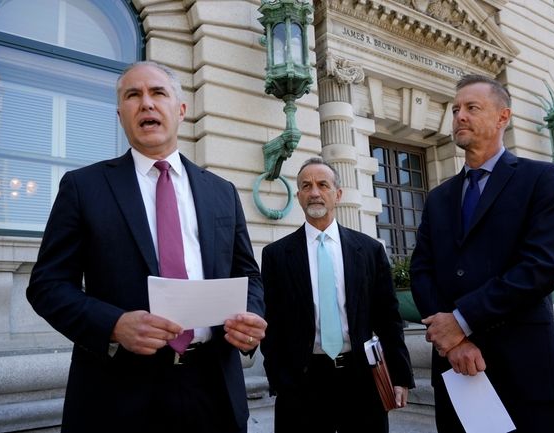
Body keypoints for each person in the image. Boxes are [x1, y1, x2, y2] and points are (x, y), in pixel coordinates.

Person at [27, 61, 267, 433]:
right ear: (120, 113)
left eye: (158, 93)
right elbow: (47, 286)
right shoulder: (83, 187)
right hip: (118, 394)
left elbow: (248, 275)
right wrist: (114, 325)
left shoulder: (222, 192)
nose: (146, 104)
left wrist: (249, 318)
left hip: (214, 388)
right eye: (132, 95)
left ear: (181, 110)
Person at [410, 74, 554, 432]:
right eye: (455, 110)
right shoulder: (438, 198)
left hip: (526, 372)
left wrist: (462, 321)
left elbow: (541, 267)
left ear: (503, 116)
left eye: (472, 107)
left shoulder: (542, 179)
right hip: (456, 373)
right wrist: (453, 341)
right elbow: (421, 271)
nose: (459, 117)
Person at [260, 157, 415, 433]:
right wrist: (280, 379)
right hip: (302, 383)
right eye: (306, 186)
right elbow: (271, 322)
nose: (315, 192)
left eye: (323, 184)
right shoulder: (276, 255)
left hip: (362, 380)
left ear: (338, 194)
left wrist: (400, 376)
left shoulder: (369, 250)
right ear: (298, 196)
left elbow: (388, 318)